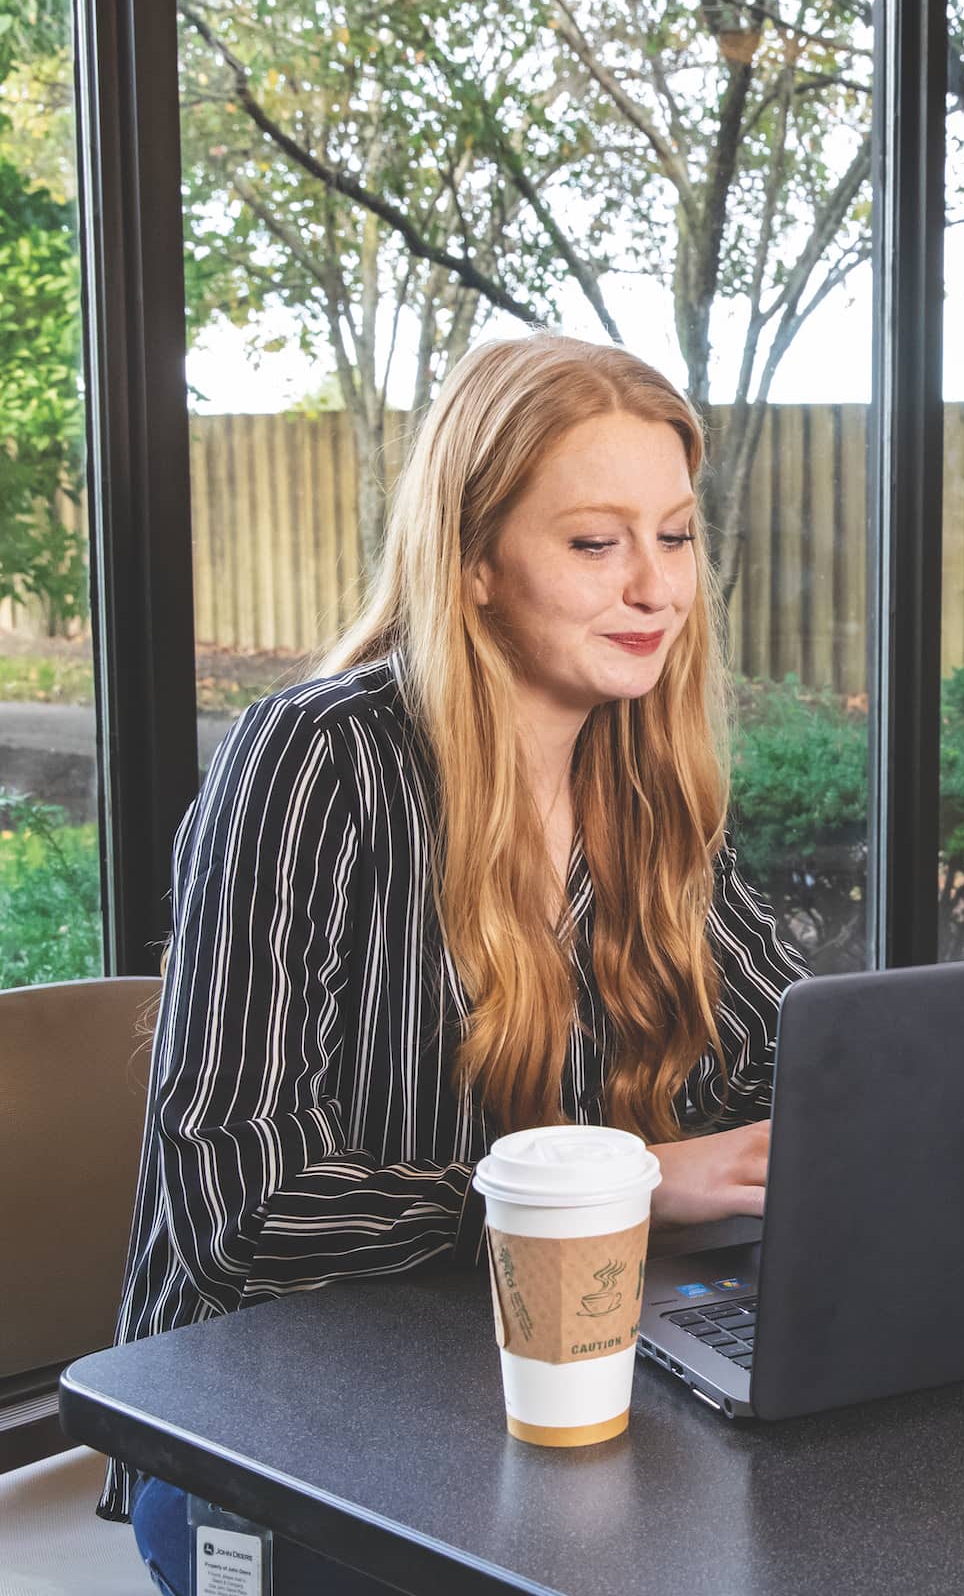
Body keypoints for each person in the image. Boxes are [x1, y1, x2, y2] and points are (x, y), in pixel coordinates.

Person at [104, 335, 808, 1592]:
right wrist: (633, 1183)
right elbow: (239, 1217)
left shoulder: (650, 782)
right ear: (474, 562)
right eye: (596, 544)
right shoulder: (314, 761)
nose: (654, 588)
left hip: (560, 1381)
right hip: (274, 1423)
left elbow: (785, 1063)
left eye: (677, 536)